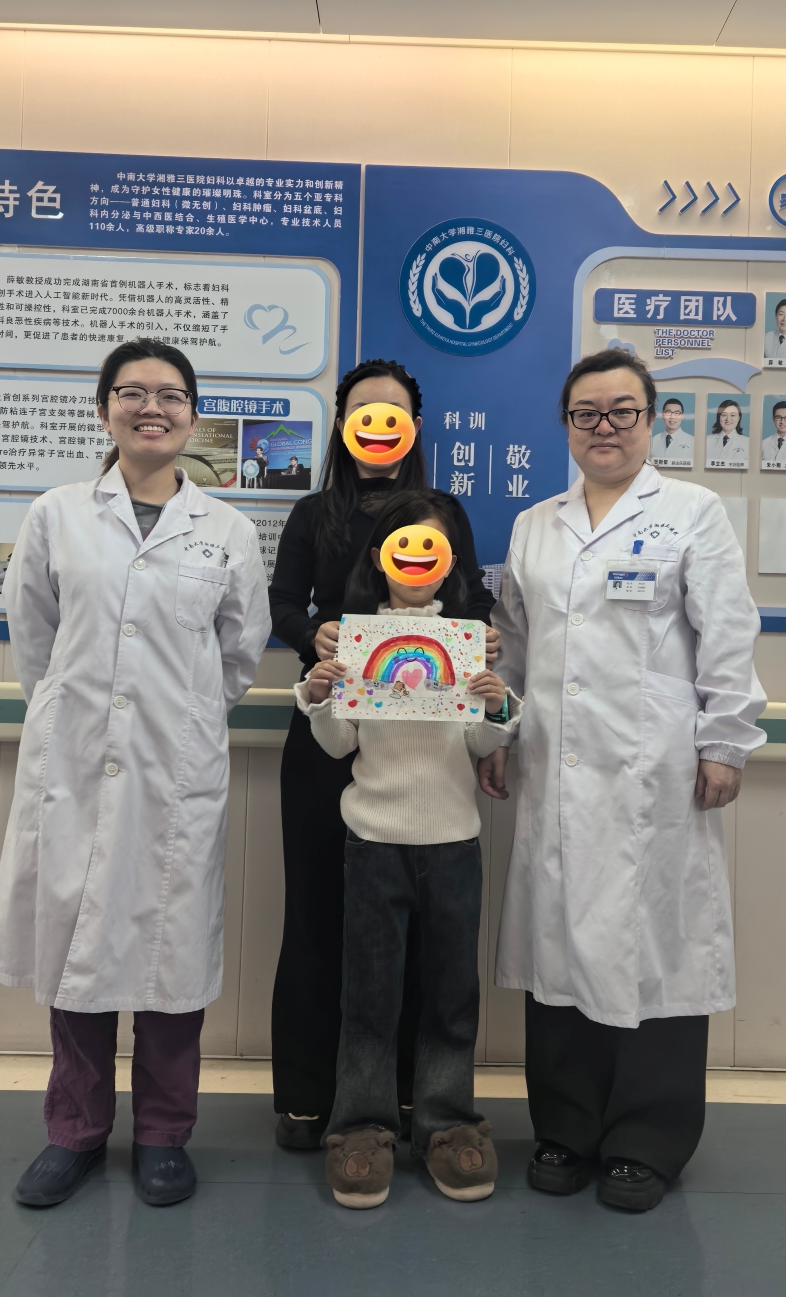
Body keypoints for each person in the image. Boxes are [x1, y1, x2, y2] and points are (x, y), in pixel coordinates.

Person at [480, 347, 766, 1213]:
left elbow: (727, 633)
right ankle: (566, 1126)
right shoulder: (536, 524)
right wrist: (498, 731)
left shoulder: (691, 512)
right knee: (557, 944)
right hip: (553, 767)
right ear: (566, 424)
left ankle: (648, 1137)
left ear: (651, 420)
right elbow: (512, 642)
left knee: (656, 948)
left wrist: (726, 741)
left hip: (653, 774)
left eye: (621, 411)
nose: (603, 427)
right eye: (586, 413)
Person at [0, 338, 269, 1210]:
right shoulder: (59, 514)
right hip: (74, 766)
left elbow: (239, 654)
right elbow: (35, 638)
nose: (153, 407)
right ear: (104, 407)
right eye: (133, 392)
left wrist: (177, 719)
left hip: (174, 773)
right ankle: (73, 1129)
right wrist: (84, 714)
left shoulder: (226, 529)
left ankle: (163, 1134)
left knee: (169, 961)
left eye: (171, 394)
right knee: (76, 951)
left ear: (193, 414)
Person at [267, 359, 496, 1151]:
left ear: (414, 427)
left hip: (427, 740)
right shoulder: (311, 513)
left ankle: (408, 1096)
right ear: (342, 424)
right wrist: (314, 634)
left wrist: (483, 642)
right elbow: (282, 603)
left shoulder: (443, 513)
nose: (376, 424)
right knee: (318, 911)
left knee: (422, 928)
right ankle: (310, 1095)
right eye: (362, 411)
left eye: (392, 412)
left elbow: (474, 598)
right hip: (333, 718)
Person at [296, 491, 519, 1208]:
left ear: (450, 564)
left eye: (432, 550)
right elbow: (339, 744)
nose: (417, 562)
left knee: (451, 995)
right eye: (404, 548)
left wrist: (496, 703)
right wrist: (320, 693)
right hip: (373, 841)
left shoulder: (468, 639)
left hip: (453, 842)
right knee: (369, 996)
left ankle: (448, 1124)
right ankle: (361, 1128)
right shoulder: (355, 640)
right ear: (378, 558)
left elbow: (481, 741)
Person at [650, 398, 693, 466]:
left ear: (682, 416)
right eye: (668, 412)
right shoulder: (653, 441)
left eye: (677, 413)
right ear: (662, 415)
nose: (672, 417)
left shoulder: (692, 441)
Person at [705, 400, 749, 466]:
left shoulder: (748, 443)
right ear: (719, 417)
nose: (728, 419)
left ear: (739, 418)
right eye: (724, 415)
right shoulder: (707, 440)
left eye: (733, 415)